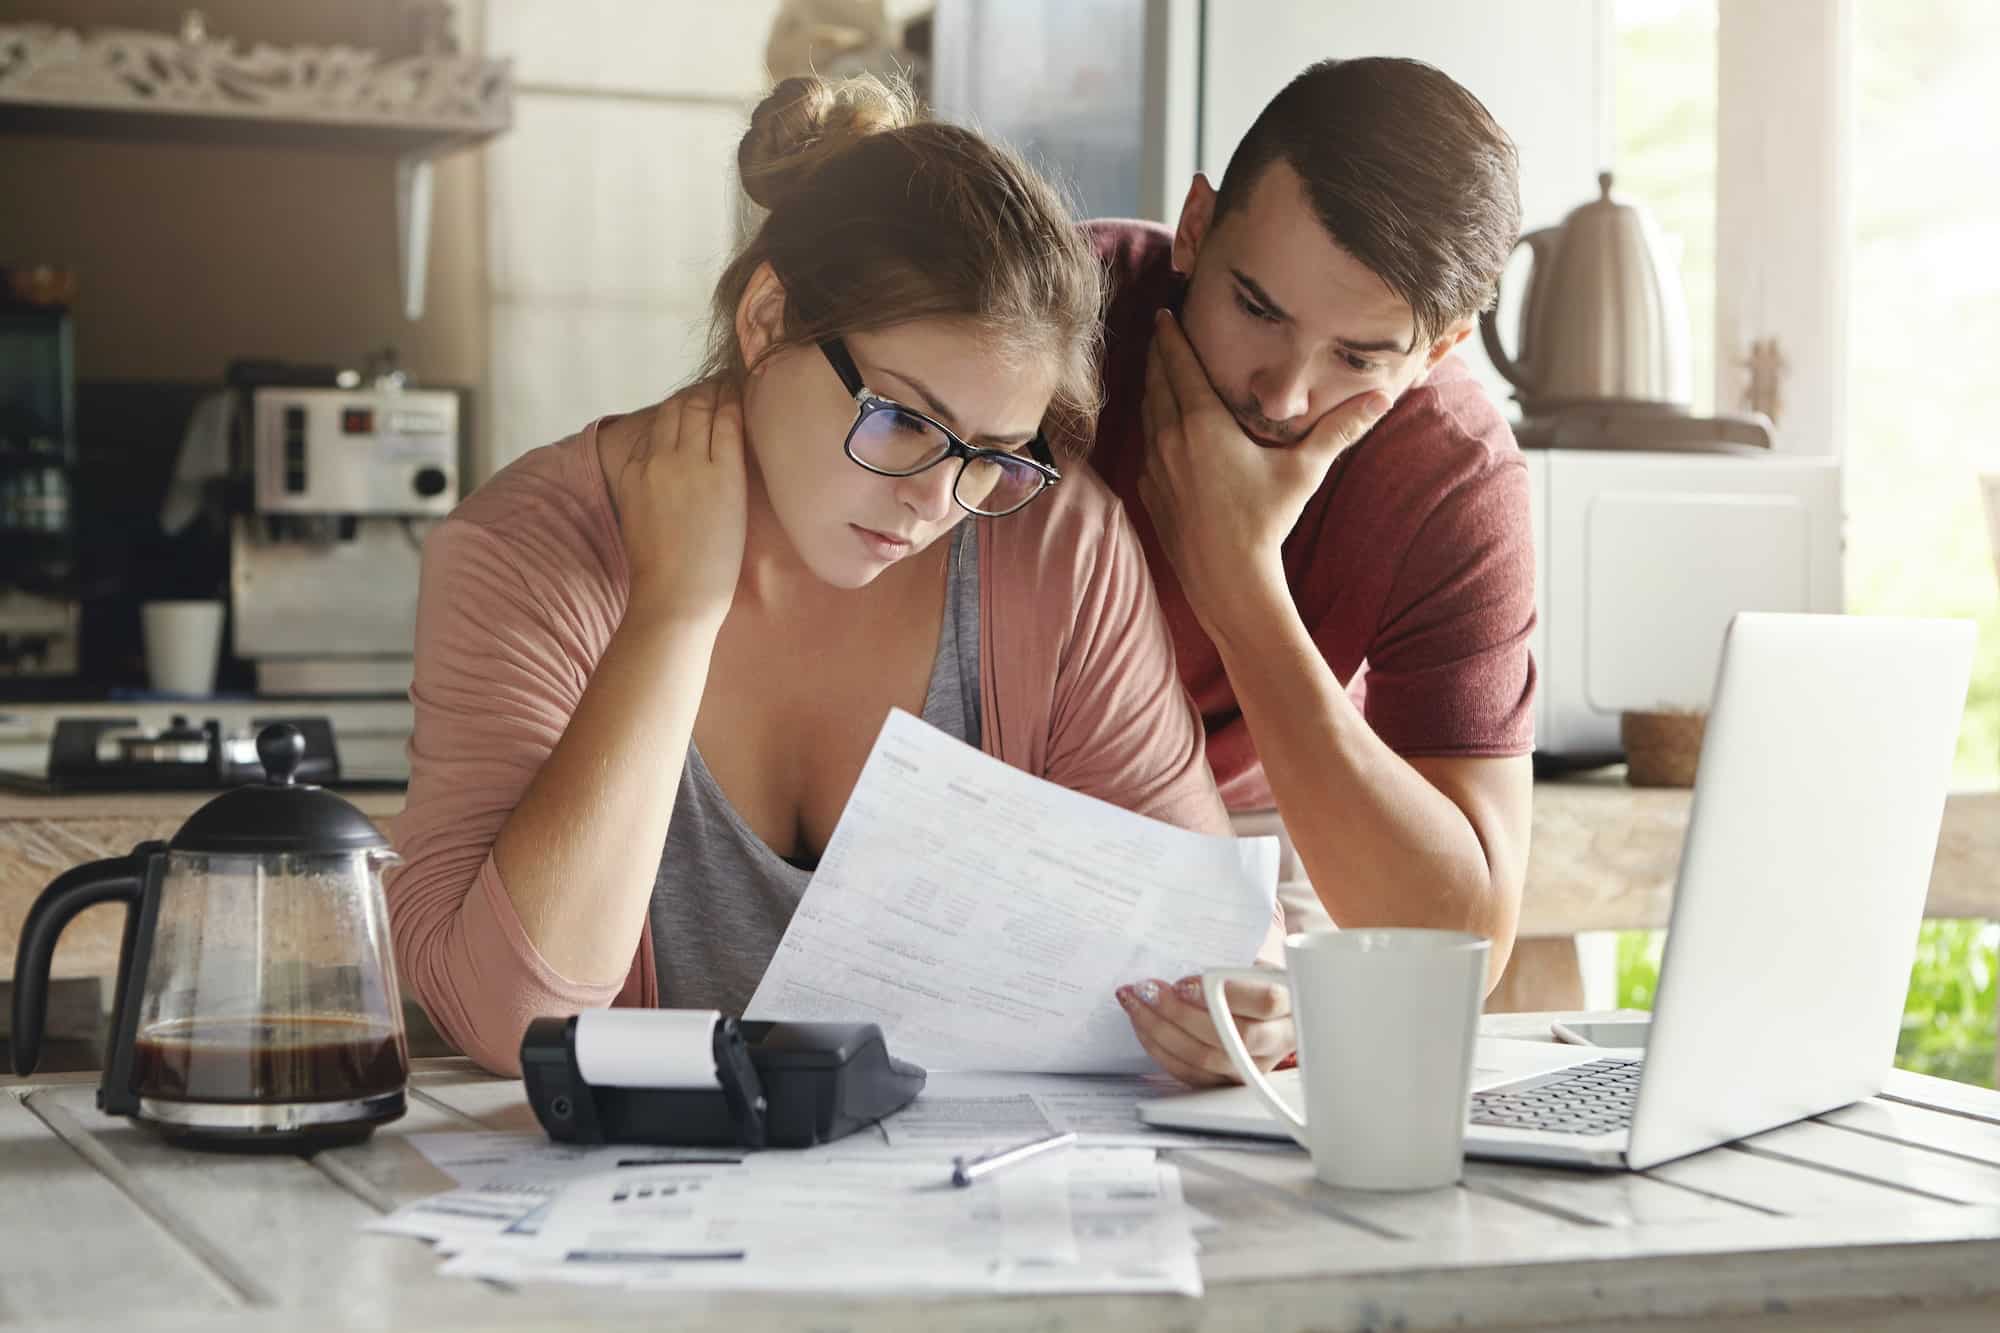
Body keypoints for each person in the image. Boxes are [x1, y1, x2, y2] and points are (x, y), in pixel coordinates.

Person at [386, 75, 1289, 1084]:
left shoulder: (1054, 545)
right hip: (630, 1225)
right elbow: (514, 1018)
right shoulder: (527, 551)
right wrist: (674, 610)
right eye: (902, 418)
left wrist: (1241, 1012)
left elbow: (1199, 942)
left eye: (990, 452)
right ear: (767, 319)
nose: (935, 500)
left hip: (965, 1210)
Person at [1092, 58, 1538, 1075]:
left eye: (1359, 357)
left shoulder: (1451, 476)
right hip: (986, 778)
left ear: (1438, 348)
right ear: (1196, 227)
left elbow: (1460, 947)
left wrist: (1238, 580)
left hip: (1264, 812)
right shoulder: (1050, 317)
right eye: (1256, 308)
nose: (1286, 395)